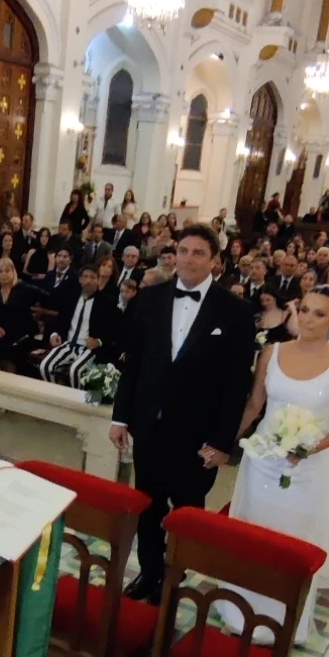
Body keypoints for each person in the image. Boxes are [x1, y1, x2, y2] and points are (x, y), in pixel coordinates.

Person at [110, 225, 255, 601]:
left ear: (215, 261)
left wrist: (222, 442)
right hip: (150, 425)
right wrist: (120, 417)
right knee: (148, 503)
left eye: (198, 253)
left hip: (198, 435)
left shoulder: (236, 311)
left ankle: (174, 575)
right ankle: (149, 572)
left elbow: (236, 384)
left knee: (188, 509)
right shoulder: (150, 299)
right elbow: (134, 363)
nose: (188, 259)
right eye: (184, 251)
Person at [232, 287, 329, 640]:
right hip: (262, 461)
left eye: (319, 314)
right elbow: (255, 404)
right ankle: (239, 610)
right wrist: (226, 440)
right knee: (255, 534)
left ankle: (281, 620)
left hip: (306, 470)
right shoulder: (272, 352)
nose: (308, 319)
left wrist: (311, 448)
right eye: (304, 310)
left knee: (289, 541)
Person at [40, 262, 118, 387]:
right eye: (85, 277)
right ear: (80, 280)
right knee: (45, 366)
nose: (88, 281)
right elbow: (59, 321)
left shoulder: (107, 302)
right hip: (68, 343)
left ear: (98, 280)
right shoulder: (71, 297)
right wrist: (54, 334)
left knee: (75, 371)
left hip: (89, 348)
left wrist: (98, 341)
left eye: (93, 277)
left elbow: (114, 329)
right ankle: (57, 395)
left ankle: (76, 398)